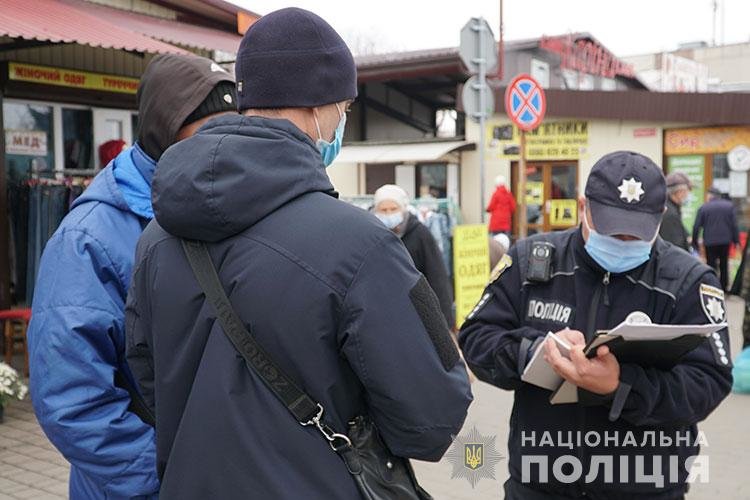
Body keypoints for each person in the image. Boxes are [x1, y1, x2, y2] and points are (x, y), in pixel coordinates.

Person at [125, 8, 472, 499]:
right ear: (317, 107)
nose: (342, 120)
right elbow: (432, 419)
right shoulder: (362, 246)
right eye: (344, 107)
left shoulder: (155, 238)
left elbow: (148, 379)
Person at [459, 151, 732, 499]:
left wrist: (621, 387)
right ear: (582, 206)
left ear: (661, 217)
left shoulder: (688, 281)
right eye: (611, 228)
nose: (623, 242)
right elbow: (476, 338)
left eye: (637, 234)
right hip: (540, 485)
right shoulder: (530, 262)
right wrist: (534, 353)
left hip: (645, 488)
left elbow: (709, 381)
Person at [27, 54, 236, 500]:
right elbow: (71, 398)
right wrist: (165, 478)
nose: (223, 148)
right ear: (165, 131)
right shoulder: (89, 239)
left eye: (233, 131)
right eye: (208, 133)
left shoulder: (223, 207)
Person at [373, 184, 455, 328]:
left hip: (416, 315)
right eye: (383, 210)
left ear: (403, 209)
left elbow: (438, 278)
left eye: (393, 209)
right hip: (381, 315)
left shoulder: (420, 234)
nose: (388, 214)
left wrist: (446, 322)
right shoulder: (371, 236)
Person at [692, 187, 740, 291]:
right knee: (724, 264)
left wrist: (694, 243)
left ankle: (713, 287)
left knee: (711, 264)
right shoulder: (729, 206)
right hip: (725, 241)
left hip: (710, 242)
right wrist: (736, 241)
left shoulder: (704, 207)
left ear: (710, 195)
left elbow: (696, 227)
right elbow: (734, 225)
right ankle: (724, 287)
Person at [659, 171, 692, 251]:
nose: (688, 195)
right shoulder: (670, 213)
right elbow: (676, 246)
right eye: (687, 191)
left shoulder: (670, 208)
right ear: (679, 192)